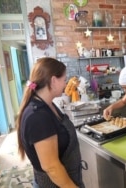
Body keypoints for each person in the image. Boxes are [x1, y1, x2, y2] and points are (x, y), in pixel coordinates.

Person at [16, 57, 85, 188]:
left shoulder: (48, 105)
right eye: (64, 80)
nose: (65, 84)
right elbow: (51, 167)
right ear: (53, 81)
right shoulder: (37, 116)